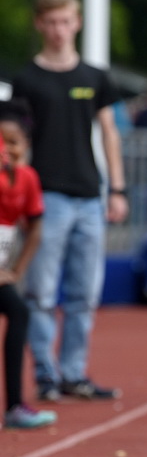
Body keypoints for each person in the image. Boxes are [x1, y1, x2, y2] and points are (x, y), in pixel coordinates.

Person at [12, 0, 128, 402]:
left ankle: (74, 372)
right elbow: (16, 140)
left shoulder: (94, 77)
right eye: (51, 22)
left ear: (77, 23)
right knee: (41, 290)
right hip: (46, 196)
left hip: (89, 194)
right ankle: (45, 372)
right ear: (40, 25)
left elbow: (109, 132)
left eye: (65, 21)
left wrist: (117, 188)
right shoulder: (27, 79)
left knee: (84, 293)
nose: (59, 30)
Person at [0, 100, 55, 429]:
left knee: (18, 311)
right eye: (1, 141)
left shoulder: (28, 179)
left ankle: (15, 407)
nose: (7, 149)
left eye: (14, 142)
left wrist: (17, 271)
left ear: (27, 145)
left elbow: (36, 229)